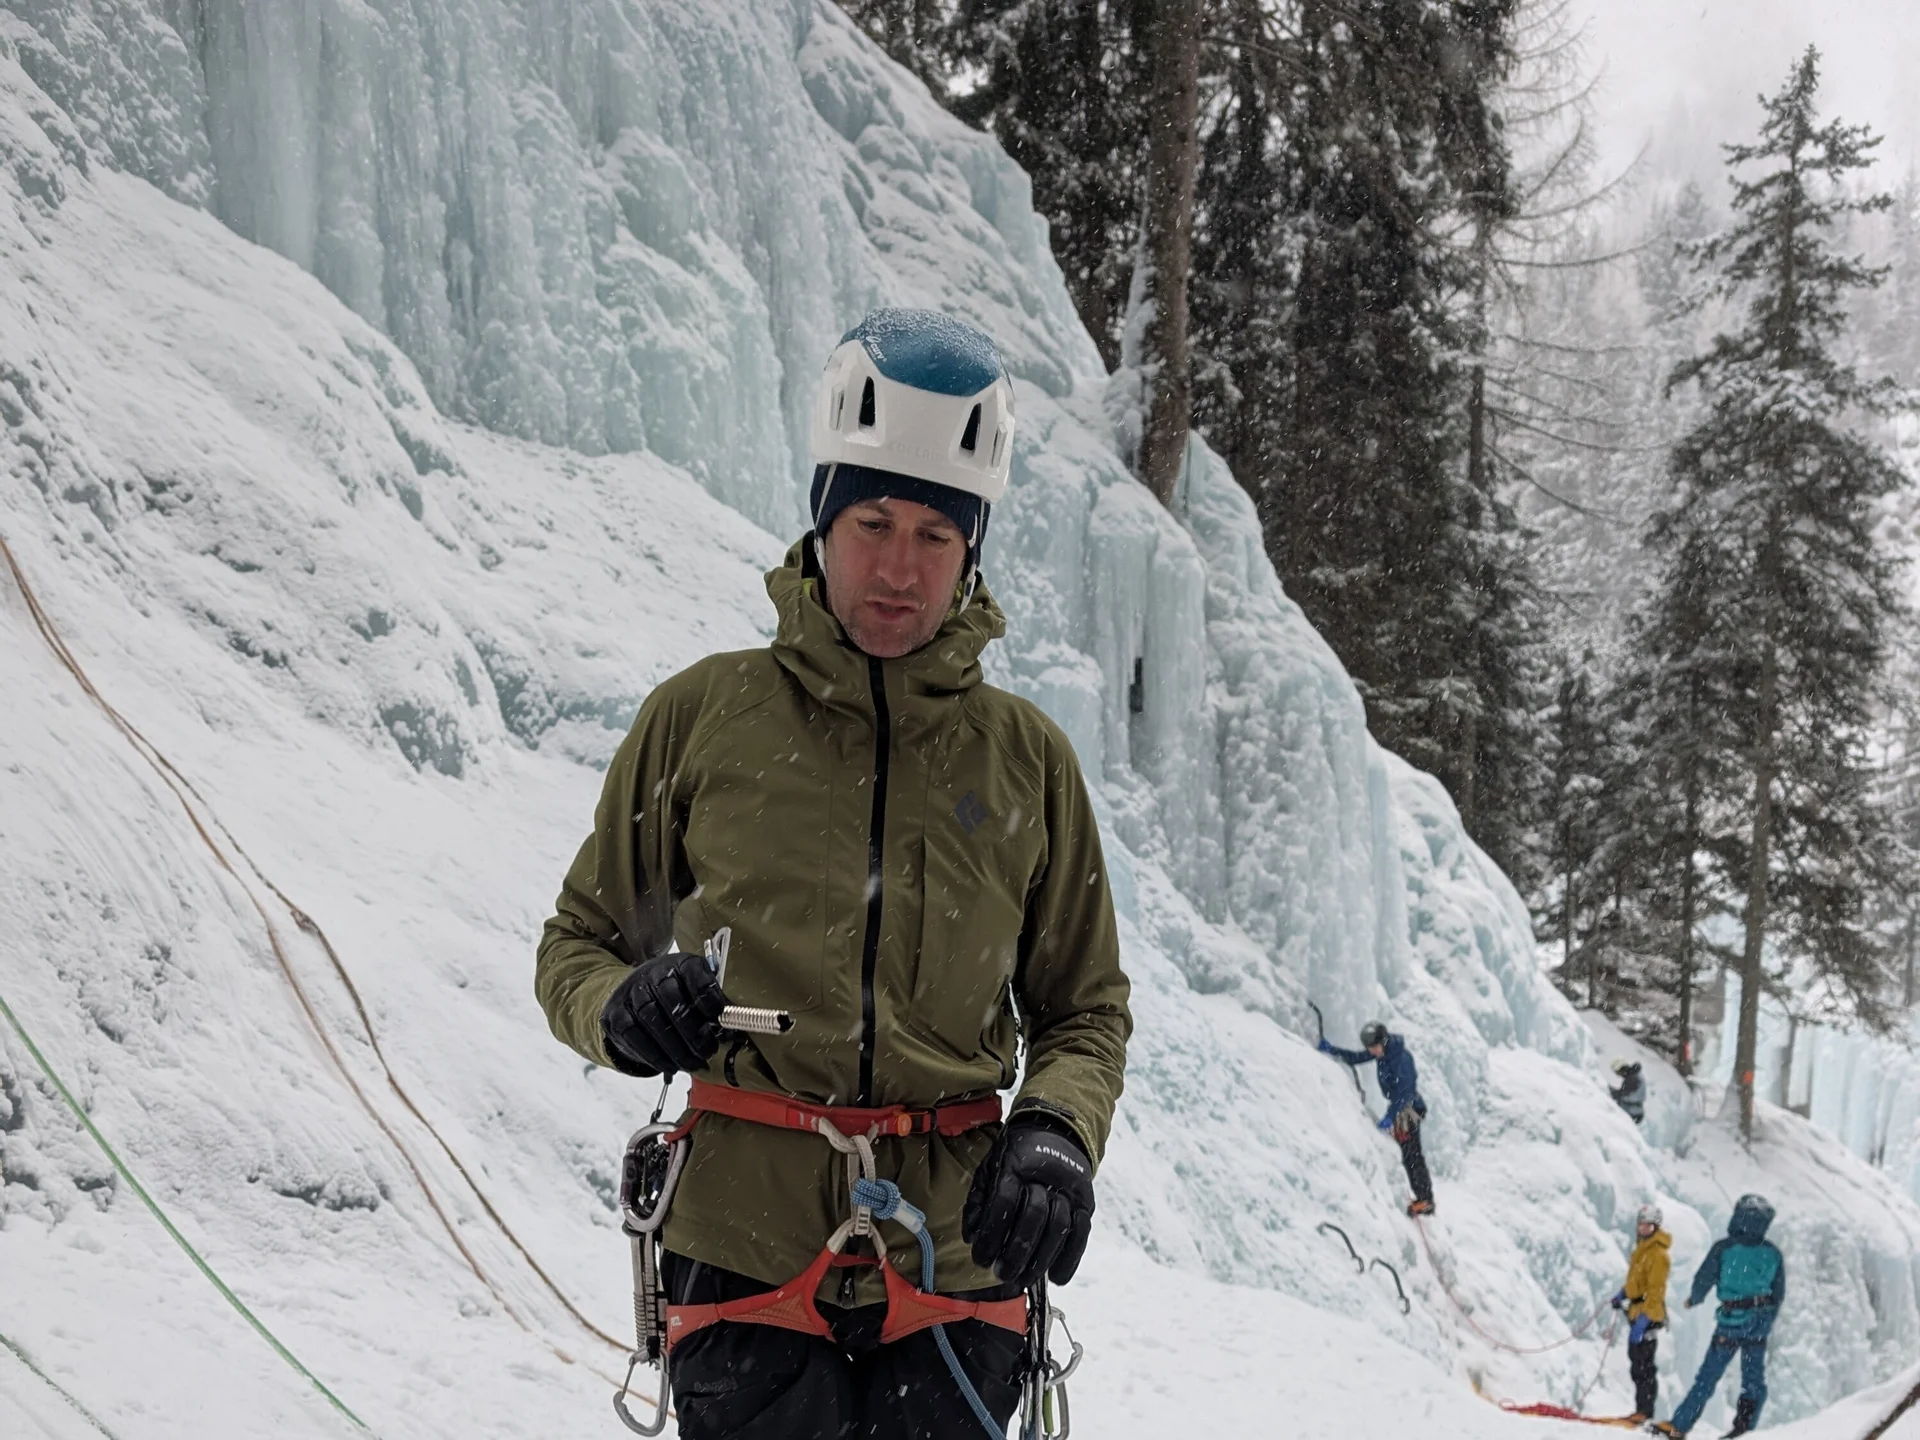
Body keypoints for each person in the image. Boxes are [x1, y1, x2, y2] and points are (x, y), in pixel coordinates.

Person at [534, 308, 1132, 1440]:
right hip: (742, 1250)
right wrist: (619, 1007)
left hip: (959, 1259)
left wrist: (1056, 1127)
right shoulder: (701, 719)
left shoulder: (1028, 762)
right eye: (873, 523)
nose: (899, 569)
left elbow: (1085, 1009)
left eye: (936, 535)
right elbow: (577, 943)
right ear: (822, 518)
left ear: (973, 549)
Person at [1652, 1194, 1786, 1439]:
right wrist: (1766, 1320)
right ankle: (1744, 1429)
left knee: (1708, 1377)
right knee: (1753, 1379)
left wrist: (1694, 1299)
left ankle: (1678, 1426)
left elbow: (1704, 1278)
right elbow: (1778, 1293)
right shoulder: (1772, 1253)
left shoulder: (1724, 1248)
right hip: (1758, 1324)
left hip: (1730, 1322)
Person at [1319, 1021, 1434, 1215]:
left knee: (1412, 1154)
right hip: (1398, 1110)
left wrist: (1390, 1116)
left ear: (1384, 1041)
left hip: (1409, 1110)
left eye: (1373, 1047)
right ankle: (1419, 1194)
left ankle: (1425, 1200)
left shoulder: (1401, 1058)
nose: (1371, 1051)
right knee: (1406, 1152)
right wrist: (1333, 1050)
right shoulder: (1382, 1053)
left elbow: (1405, 1092)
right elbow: (1357, 1057)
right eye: (1369, 1047)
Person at [1611, 1203, 1671, 1422]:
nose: (1643, 1229)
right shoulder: (1643, 1250)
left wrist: (1645, 1319)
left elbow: (1656, 1291)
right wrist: (1623, 1294)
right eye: (1641, 1225)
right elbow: (1638, 1282)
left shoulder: (1658, 1254)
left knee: (1644, 1366)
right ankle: (1641, 1410)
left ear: (1656, 1227)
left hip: (1648, 1316)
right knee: (1637, 1364)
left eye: (1648, 1226)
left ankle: (1645, 1412)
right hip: (1638, 1312)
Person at [1611, 1059, 1647, 1125]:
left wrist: (1610, 1091)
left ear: (1621, 1069)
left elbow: (1623, 1095)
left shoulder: (1632, 1079)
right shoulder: (1634, 1075)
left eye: (1618, 1073)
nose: (1618, 1075)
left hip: (1632, 1113)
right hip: (1635, 1111)